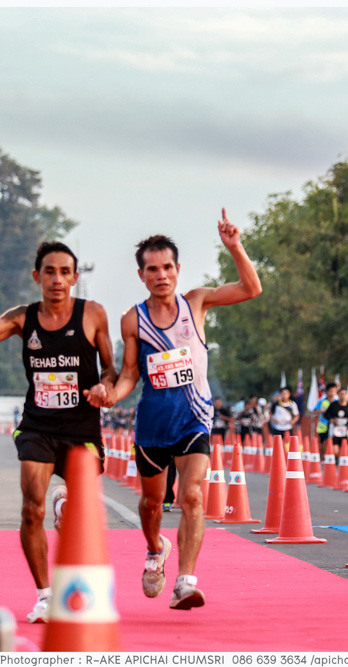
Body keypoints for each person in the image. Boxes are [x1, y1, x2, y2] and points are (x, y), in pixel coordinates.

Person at [106, 211, 261, 610]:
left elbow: (251, 288)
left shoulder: (197, 302)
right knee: (151, 504)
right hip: (153, 425)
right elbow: (129, 374)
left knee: (192, 496)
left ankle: (185, 583)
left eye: (168, 267)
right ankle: (155, 548)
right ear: (141, 275)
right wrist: (111, 395)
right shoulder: (133, 320)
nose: (161, 275)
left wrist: (235, 247)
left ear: (178, 269)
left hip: (194, 419)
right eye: (152, 269)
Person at [0, 241, 117, 623]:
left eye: (64, 272)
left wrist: (105, 386)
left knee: (83, 517)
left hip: (81, 430)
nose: (57, 279)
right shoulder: (22, 318)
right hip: (38, 426)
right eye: (49, 271)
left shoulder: (93, 314)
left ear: (74, 278)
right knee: (32, 508)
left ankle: (66, 506)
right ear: (37, 276)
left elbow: (111, 368)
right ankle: (45, 596)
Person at [324, 387, 348, 455]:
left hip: (345, 431)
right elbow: (326, 415)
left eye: (345, 394)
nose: (343, 396)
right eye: (341, 394)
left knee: (345, 451)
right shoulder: (333, 405)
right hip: (335, 431)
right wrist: (331, 420)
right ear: (338, 395)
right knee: (335, 451)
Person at [313, 383, 339, 458]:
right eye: (330, 391)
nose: (332, 393)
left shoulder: (337, 401)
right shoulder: (322, 401)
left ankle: (332, 457)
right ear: (327, 392)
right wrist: (322, 411)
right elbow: (314, 411)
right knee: (323, 441)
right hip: (323, 424)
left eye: (334, 391)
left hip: (334, 425)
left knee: (333, 441)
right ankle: (322, 457)